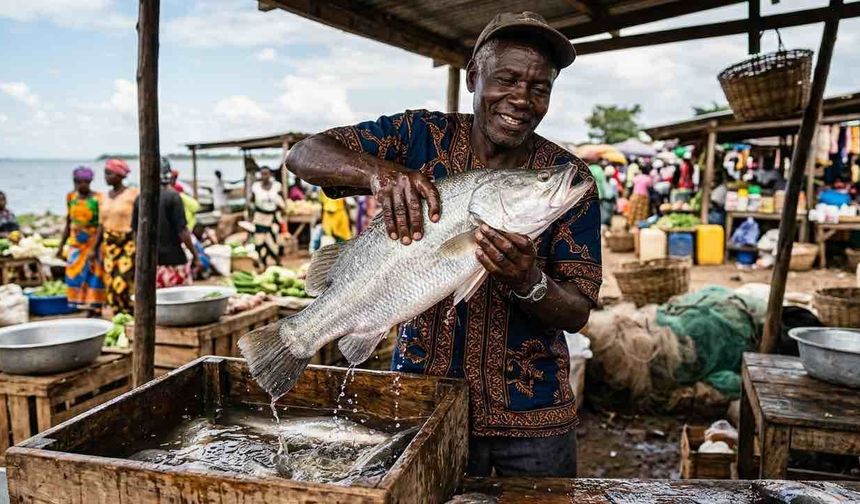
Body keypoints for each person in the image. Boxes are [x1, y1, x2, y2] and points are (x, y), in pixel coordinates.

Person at [286, 11, 600, 477]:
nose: (521, 98)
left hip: (533, 417)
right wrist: (379, 173)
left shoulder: (568, 178)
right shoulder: (416, 137)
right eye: (506, 79)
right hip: (420, 399)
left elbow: (577, 311)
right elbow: (303, 154)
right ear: (474, 77)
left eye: (540, 88)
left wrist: (528, 280)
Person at [132, 159, 200, 288]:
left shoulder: (139, 199)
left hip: (150, 265)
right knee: (179, 302)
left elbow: (136, 235)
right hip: (174, 261)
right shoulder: (173, 197)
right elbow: (183, 232)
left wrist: (140, 259)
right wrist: (195, 255)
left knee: (157, 304)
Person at [57, 166, 105, 314]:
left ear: (90, 182)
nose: (80, 185)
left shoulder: (98, 198)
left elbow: (101, 225)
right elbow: (68, 221)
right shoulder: (71, 197)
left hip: (93, 242)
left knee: (94, 276)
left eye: (84, 182)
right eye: (77, 181)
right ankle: (79, 304)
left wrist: (94, 248)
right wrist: (61, 245)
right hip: (76, 244)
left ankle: (94, 307)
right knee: (74, 275)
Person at [94, 159, 139, 314]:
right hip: (110, 245)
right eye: (105, 173)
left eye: (109, 173)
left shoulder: (133, 194)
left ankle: (130, 313)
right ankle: (119, 315)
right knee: (111, 283)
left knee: (124, 281)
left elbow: (140, 220)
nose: (106, 177)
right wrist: (95, 248)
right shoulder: (103, 197)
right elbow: (101, 224)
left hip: (128, 244)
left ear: (120, 175)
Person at [250, 166, 284, 267]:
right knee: (260, 241)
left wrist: (278, 211)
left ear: (270, 175)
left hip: (272, 217)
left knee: (274, 239)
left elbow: (281, 201)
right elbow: (251, 201)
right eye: (262, 174)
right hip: (260, 218)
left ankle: (277, 260)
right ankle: (262, 262)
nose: (264, 176)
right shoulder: (256, 187)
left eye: (266, 174)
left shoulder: (276, 186)